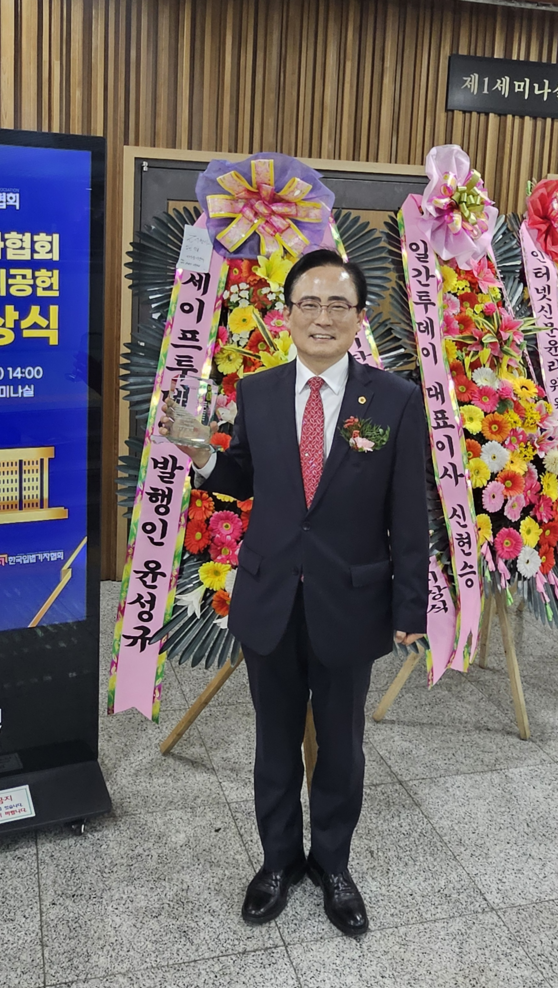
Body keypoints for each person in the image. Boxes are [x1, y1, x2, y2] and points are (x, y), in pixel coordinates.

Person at [160, 249, 428, 936]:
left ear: (358, 318)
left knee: (341, 748)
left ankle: (333, 865)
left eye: (338, 305)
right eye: (309, 303)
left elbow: (408, 513)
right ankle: (278, 861)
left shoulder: (394, 400)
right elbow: (245, 480)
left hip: (351, 602)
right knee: (274, 744)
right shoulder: (259, 391)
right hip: (271, 597)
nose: (322, 317)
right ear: (288, 314)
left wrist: (410, 608)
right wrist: (204, 454)